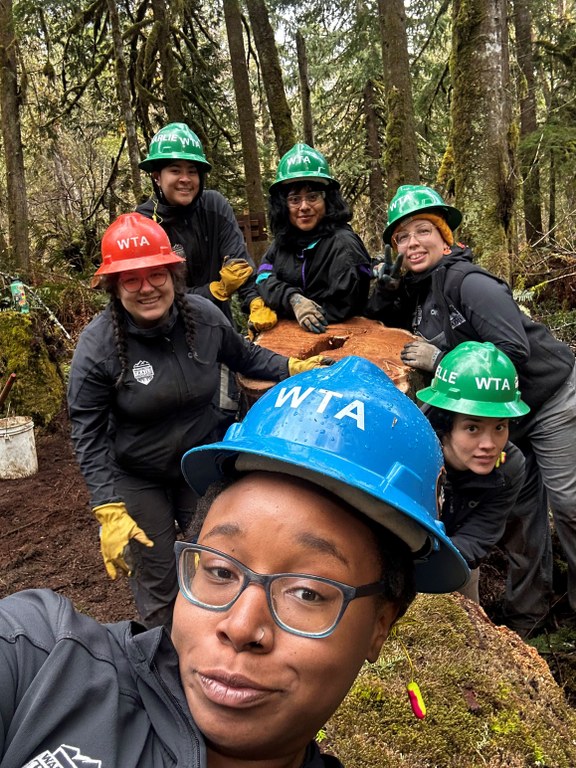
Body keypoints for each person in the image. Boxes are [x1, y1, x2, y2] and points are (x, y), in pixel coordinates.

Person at [1, 356, 469, 768]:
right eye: (221, 571)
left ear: (379, 626)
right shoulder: (40, 661)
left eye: (307, 591)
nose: (241, 627)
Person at [68, 212, 329, 629]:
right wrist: (107, 507)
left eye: (156, 275)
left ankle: (216, 642)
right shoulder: (97, 348)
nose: (147, 288)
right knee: (159, 580)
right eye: (131, 279)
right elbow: (87, 431)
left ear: (173, 274)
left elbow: (245, 357)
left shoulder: (204, 317)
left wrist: (293, 367)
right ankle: (163, 670)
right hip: (137, 476)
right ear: (114, 287)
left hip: (199, 462)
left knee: (218, 560)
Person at [366, 183, 576, 631]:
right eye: (402, 237)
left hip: (548, 397)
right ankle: (529, 617)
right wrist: (385, 293)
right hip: (497, 419)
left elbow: (513, 352)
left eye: (423, 231)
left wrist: (440, 363)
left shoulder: (470, 282)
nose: (412, 243)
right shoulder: (422, 294)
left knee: (570, 503)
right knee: (523, 514)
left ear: (446, 239)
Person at [137, 122, 277, 411]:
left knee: (227, 407)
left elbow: (240, 266)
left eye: (192, 171)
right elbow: (155, 300)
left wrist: (254, 303)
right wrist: (213, 291)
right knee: (181, 412)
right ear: (156, 175)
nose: (185, 179)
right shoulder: (144, 224)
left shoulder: (214, 206)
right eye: (175, 170)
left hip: (217, 331)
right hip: (165, 340)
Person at [417, 341, 531, 606]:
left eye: (500, 427)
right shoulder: (412, 449)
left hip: (458, 559)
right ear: (446, 426)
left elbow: (478, 536)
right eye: (472, 428)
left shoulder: (509, 467)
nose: (489, 444)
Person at [255, 143, 372, 333]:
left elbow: (344, 307)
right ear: (283, 205)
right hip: (289, 341)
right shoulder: (282, 243)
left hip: (342, 342)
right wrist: (292, 299)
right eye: (294, 200)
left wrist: (286, 304)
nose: (304, 206)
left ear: (327, 200)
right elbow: (263, 278)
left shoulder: (343, 244)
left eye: (312, 197)